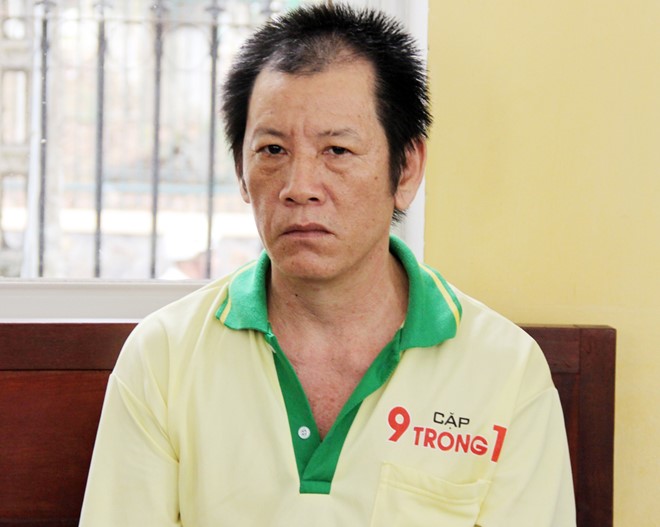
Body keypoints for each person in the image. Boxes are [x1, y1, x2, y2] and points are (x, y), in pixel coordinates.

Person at [80, 4, 575, 526]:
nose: (299, 188)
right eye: (273, 149)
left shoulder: (506, 371)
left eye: (336, 150)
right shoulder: (164, 356)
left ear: (406, 168)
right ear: (241, 173)